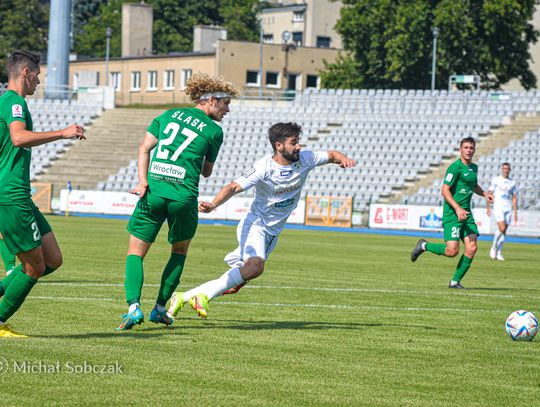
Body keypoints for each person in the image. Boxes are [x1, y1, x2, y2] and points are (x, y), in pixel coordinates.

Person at [167, 122, 356, 319]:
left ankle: (183, 297)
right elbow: (233, 187)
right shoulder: (263, 167)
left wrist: (344, 159)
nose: (298, 146)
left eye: (298, 141)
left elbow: (332, 155)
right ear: (279, 145)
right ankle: (203, 295)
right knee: (255, 267)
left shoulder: (306, 158)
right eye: (293, 143)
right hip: (255, 225)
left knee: (243, 276)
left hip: (272, 233)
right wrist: (214, 205)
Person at [116, 73, 239, 330]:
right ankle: (160, 308)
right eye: (226, 103)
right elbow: (206, 172)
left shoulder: (167, 115)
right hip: (183, 198)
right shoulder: (214, 131)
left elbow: (144, 148)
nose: (227, 110)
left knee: (135, 253)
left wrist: (142, 181)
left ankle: (133, 307)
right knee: (179, 252)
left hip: (154, 193)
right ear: (212, 100)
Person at [0, 50, 85, 337]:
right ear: (26, 72)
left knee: (52, 259)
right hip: (11, 195)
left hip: (18, 194)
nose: (39, 80)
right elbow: (18, 137)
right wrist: (63, 133)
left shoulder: (10, 101)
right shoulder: (13, 102)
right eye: (37, 74)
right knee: (35, 267)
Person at [410, 137, 493, 289]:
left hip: (466, 215)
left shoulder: (473, 168)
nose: (469, 150)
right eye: (466, 147)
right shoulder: (455, 167)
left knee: (472, 247)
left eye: (471, 148)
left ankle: (455, 282)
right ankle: (424, 246)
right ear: (460, 150)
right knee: (452, 251)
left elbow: (473, 185)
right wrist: (457, 208)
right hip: (453, 214)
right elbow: (444, 190)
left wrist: (485, 193)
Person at [487, 162, 518, 261]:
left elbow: (514, 197)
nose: (506, 170)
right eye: (504, 168)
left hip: (508, 208)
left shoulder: (512, 182)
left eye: (507, 169)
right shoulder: (496, 180)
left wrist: (515, 211)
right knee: (502, 227)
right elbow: (490, 194)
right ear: (502, 169)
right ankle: (493, 247)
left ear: (510, 170)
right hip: (498, 206)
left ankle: (499, 252)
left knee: (504, 231)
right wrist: (488, 207)